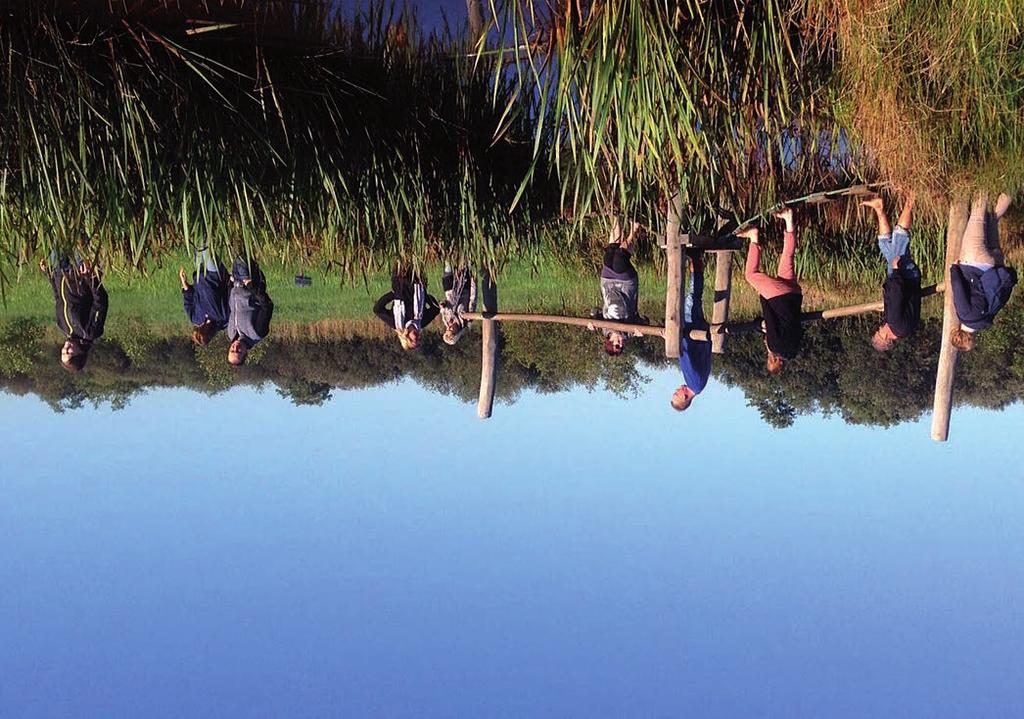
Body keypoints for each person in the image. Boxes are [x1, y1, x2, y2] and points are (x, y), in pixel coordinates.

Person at [736, 207, 803, 375]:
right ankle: (754, 236)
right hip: (779, 297)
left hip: (794, 296)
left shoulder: (794, 349)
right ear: (774, 360)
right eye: (769, 359)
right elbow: (770, 318)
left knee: (788, 256)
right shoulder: (775, 346)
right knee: (751, 275)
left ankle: (788, 218)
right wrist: (763, 298)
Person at [949, 192, 1017, 351]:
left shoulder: (987, 319)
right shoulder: (965, 315)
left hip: (995, 266)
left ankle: (1009, 188)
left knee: (992, 220)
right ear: (956, 333)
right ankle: (983, 179)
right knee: (978, 215)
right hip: (973, 261)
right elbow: (958, 288)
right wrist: (953, 269)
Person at [861, 194, 922, 351]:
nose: (879, 329)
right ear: (886, 338)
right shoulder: (895, 322)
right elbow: (897, 294)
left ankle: (879, 208)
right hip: (902, 276)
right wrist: (895, 271)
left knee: (884, 244)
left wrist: (887, 306)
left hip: (909, 279)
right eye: (878, 333)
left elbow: (901, 303)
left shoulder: (905, 329)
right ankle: (911, 198)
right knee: (900, 236)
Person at [40, 253, 108, 373]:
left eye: (63, 352)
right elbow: (101, 302)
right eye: (69, 353)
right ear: (80, 353)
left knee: (57, 236)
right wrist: (90, 277)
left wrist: (49, 275)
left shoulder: (63, 328)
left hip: (58, 271)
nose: (65, 349)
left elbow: (58, 298)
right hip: (80, 272)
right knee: (79, 238)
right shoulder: (90, 333)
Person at [594, 217, 645, 355]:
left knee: (610, 254)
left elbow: (595, 312)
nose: (621, 343)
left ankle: (615, 215)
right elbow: (643, 320)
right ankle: (634, 230)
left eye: (617, 345)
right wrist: (642, 329)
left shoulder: (603, 328)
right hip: (626, 286)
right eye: (621, 346)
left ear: (609, 342)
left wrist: (591, 322)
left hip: (608, 283)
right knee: (620, 260)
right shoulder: (629, 332)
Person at [672, 249, 712, 412]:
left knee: (694, 298)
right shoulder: (694, 383)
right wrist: (675, 338)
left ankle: (696, 261)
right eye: (676, 394)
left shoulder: (699, 385)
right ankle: (696, 260)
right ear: (685, 398)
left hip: (699, 335)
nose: (675, 390)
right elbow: (685, 355)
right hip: (693, 332)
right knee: (692, 298)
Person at [373, 265, 440, 350]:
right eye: (419, 339)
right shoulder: (422, 321)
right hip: (417, 280)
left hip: (400, 280)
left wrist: (392, 295)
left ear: (406, 337)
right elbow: (436, 309)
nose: (417, 337)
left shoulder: (395, 323)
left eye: (413, 340)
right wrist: (425, 296)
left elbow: (377, 310)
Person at [226, 256, 274, 366]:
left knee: (236, 249)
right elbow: (267, 306)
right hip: (250, 281)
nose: (235, 347)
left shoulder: (230, 334)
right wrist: (251, 285)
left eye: (232, 350)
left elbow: (232, 307)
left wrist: (230, 284)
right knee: (240, 255)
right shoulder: (257, 333)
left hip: (235, 282)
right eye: (239, 352)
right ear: (245, 353)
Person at [179, 248, 230, 346]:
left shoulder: (195, 318)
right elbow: (228, 295)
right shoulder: (222, 317)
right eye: (201, 330)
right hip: (215, 274)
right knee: (205, 245)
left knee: (198, 244)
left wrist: (184, 282)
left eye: (198, 329)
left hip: (199, 274)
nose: (199, 326)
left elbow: (188, 300)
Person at [439, 264, 477, 345]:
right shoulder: (467, 319)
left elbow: (443, 308)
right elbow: (473, 301)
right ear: (457, 332)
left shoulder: (446, 319)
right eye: (451, 330)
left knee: (448, 263)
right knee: (464, 262)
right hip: (464, 286)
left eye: (447, 329)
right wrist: (473, 284)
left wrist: (442, 305)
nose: (449, 327)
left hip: (449, 287)